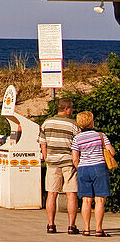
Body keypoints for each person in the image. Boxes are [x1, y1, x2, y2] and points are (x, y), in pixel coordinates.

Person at [41, 98, 81, 234]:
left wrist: (46, 158)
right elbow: (77, 145)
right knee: (71, 194)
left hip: (52, 162)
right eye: (71, 109)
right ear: (66, 109)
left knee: (52, 193)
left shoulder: (47, 123)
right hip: (68, 161)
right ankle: (71, 225)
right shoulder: (73, 125)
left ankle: (51, 225)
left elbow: (42, 142)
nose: (72, 111)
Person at [72, 110, 114, 237]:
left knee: (86, 200)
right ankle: (99, 229)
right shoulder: (100, 135)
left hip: (83, 169)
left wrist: (79, 167)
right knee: (99, 200)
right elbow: (111, 152)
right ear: (91, 122)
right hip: (99, 167)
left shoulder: (76, 138)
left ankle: (86, 229)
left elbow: (75, 158)